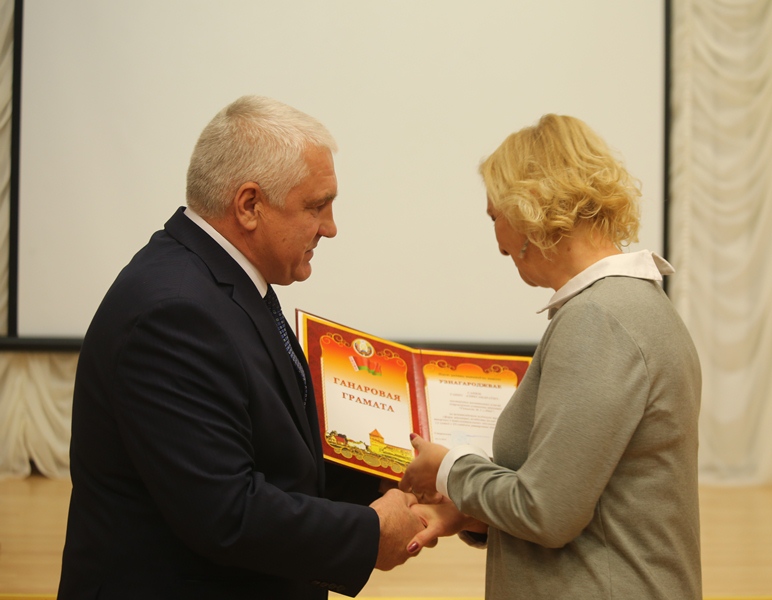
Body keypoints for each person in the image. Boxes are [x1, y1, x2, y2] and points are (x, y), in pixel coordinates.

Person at [57, 95, 425, 599]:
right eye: (316, 206)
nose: (330, 227)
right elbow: (226, 511)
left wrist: (384, 479)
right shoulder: (174, 314)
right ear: (250, 205)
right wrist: (370, 533)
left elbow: (277, 455)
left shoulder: (213, 282)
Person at [400, 114, 703, 599]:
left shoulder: (600, 319)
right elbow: (589, 500)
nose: (496, 237)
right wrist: (471, 509)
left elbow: (546, 511)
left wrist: (449, 469)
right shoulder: (630, 304)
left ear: (529, 206)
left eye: (494, 214)